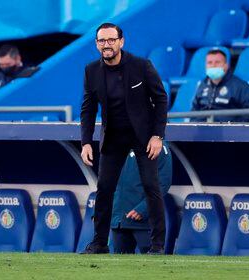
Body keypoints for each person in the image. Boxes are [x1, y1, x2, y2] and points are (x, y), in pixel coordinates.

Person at [80, 23, 168, 254]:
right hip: (113, 138)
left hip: (143, 137)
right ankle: (99, 242)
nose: (106, 44)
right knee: (104, 190)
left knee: (151, 187)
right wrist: (86, 142)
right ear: (96, 44)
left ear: (121, 41)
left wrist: (157, 136)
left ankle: (158, 245)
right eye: (101, 41)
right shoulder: (91, 70)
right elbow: (88, 109)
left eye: (111, 40)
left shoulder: (141, 66)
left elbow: (160, 100)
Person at [111, 142, 172, 254]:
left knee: (151, 267)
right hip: (118, 220)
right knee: (119, 267)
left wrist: (144, 208)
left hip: (145, 221)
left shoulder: (159, 146)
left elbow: (163, 184)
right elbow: (107, 182)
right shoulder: (117, 143)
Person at [191, 49, 249, 122]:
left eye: (217, 62)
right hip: (202, 130)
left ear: (226, 66)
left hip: (230, 131)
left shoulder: (240, 86)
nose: (213, 66)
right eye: (209, 63)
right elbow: (194, 112)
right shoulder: (203, 85)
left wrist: (234, 127)